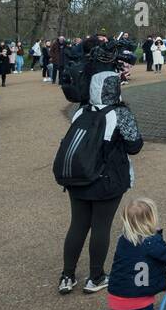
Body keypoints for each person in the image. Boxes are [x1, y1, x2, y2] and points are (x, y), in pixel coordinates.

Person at [58, 71, 143, 295]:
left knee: (78, 224)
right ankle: (95, 277)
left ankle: (67, 275)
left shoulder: (81, 111)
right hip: (106, 179)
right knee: (100, 226)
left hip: (77, 177)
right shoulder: (119, 113)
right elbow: (135, 146)